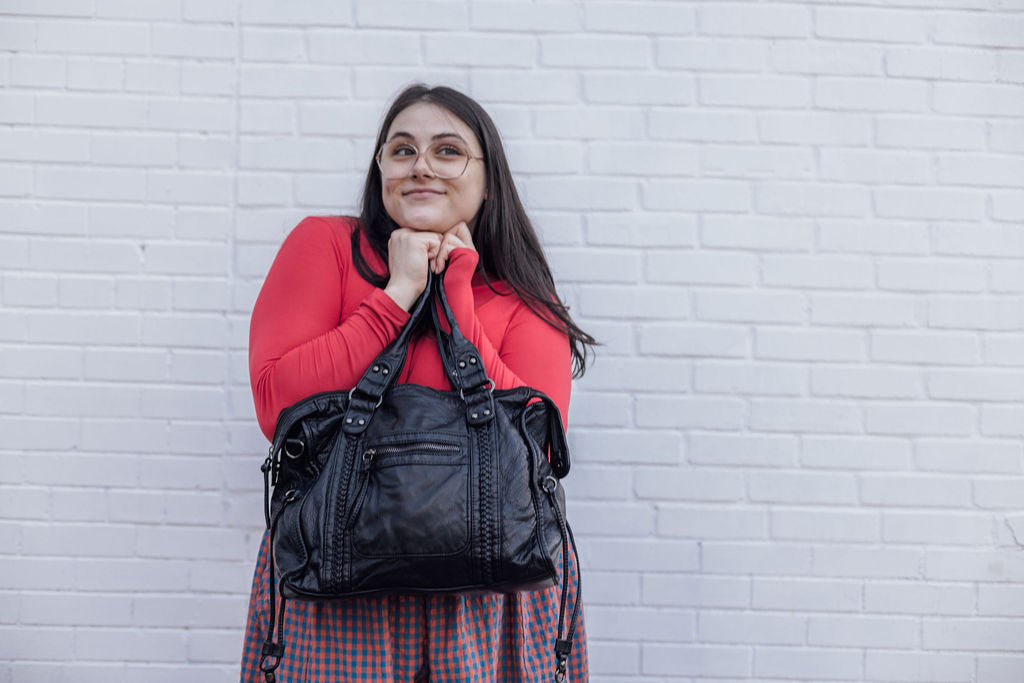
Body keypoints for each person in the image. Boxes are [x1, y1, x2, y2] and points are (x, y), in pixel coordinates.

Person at [240, 84, 595, 682]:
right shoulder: (326, 246)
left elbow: (535, 438)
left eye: (448, 150)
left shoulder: (523, 296)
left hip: (488, 595)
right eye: (401, 150)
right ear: (380, 167)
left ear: (488, 179)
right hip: (337, 582)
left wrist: (457, 289)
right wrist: (398, 292)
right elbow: (278, 403)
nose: (421, 165)